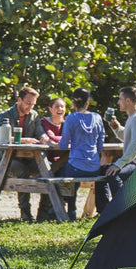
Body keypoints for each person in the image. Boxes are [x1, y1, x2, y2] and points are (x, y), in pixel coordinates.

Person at [0, 86, 45, 221]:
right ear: (19, 100)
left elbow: (40, 132)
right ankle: (25, 212)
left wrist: (44, 137)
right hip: (7, 160)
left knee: (48, 169)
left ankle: (45, 212)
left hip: (29, 158)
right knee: (22, 170)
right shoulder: (4, 115)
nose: (30, 107)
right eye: (28, 103)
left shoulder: (34, 115)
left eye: (33, 104)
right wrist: (22, 140)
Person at [96, 86, 136, 214]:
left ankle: (123, 210)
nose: (118, 102)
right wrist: (115, 126)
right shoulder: (132, 117)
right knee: (102, 171)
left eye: (120, 99)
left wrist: (119, 164)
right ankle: (104, 211)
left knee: (113, 174)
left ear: (128, 101)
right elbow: (127, 137)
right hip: (130, 161)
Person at [53, 88, 105, 221]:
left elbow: (63, 145)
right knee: (71, 171)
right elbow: (100, 146)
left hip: (76, 166)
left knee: (59, 171)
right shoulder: (97, 117)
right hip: (94, 167)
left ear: (73, 103)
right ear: (88, 102)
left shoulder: (71, 118)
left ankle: (69, 208)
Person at [36, 96, 69, 221]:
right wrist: (62, 139)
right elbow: (49, 136)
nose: (60, 109)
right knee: (50, 173)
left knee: (66, 171)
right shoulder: (44, 122)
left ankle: (63, 209)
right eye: (57, 106)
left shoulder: (66, 123)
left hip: (61, 159)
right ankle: (44, 212)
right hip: (45, 159)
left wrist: (58, 140)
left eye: (62, 107)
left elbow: (71, 139)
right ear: (50, 109)